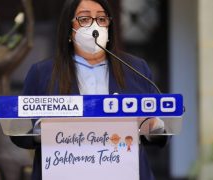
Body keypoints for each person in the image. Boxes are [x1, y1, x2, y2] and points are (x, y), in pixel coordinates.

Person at [10, 0, 169, 179]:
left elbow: (161, 130)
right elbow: (18, 131)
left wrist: (154, 128)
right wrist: (41, 133)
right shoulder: (43, 73)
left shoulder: (136, 69)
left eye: (101, 19)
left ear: (109, 28)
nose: (95, 26)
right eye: (85, 19)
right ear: (69, 29)